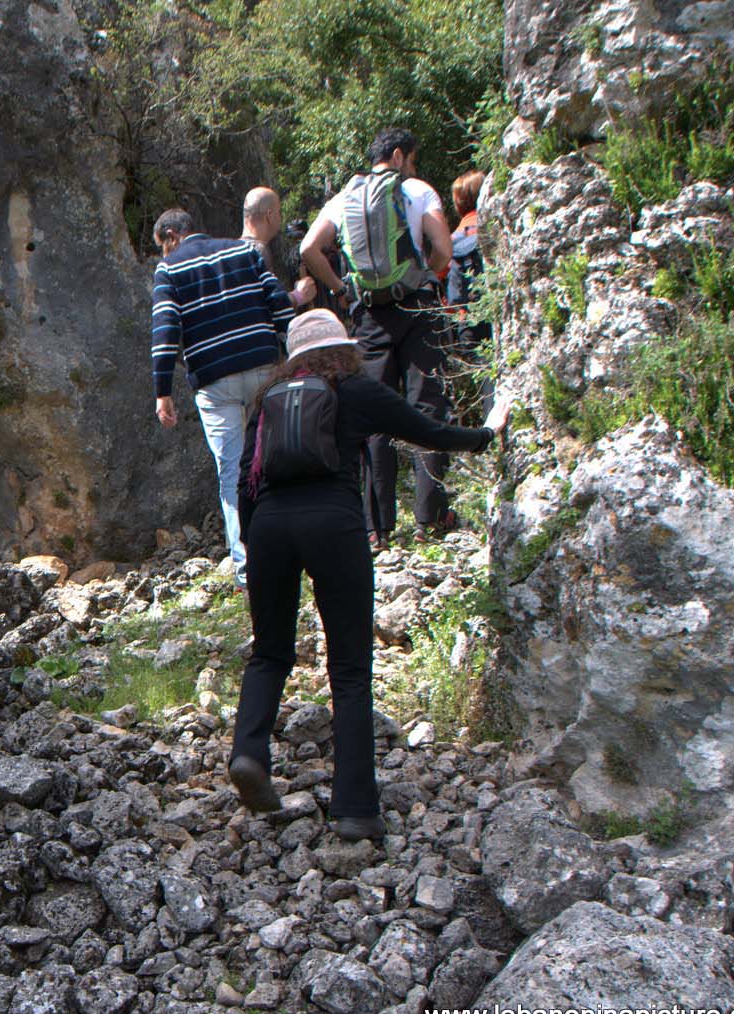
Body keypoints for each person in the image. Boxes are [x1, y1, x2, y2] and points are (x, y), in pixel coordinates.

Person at [227, 310, 510, 838]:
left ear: (293, 358)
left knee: (270, 652)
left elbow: (246, 479)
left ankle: (249, 753)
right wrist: (486, 434)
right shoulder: (355, 389)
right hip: (334, 524)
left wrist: (253, 539)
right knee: (350, 668)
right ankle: (355, 808)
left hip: (269, 527)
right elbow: (428, 431)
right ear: (342, 349)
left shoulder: (266, 400)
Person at [300, 128, 456, 551]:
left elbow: (309, 248)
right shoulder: (418, 189)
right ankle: (431, 517)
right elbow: (443, 247)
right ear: (401, 156)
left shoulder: (344, 198)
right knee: (428, 404)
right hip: (418, 308)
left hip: (369, 315)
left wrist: (341, 285)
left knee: (370, 415)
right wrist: (427, 274)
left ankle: (377, 528)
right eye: (413, 159)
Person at [151, 207, 317, 586]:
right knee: (276, 460)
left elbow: (165, 332)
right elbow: (278, 305)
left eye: (164, 245)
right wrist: (294, 356)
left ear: (173, 235)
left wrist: (163, 392)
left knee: (232, 472)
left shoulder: (170, 269)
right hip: (262, 369)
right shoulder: (244, 251)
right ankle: (292, 551)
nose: (164, 254)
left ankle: (248, 567)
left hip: (215, 382)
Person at [445, 170, 493, 412]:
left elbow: (448, 288)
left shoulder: (453, 239)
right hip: (496, 314)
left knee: (486, 379)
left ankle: (492, 432)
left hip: (468, 321)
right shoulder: (493, 228)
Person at [239, 186, 285, 281]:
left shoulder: (234, 249)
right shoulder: (259, 251)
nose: (281, 218)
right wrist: (298, 294)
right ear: (269, 216)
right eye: (279, 212)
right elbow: (268, 295)